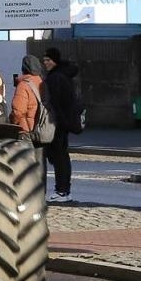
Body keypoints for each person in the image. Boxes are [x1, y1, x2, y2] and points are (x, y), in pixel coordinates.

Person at [42, 46, 80, 201]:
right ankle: (64, 190)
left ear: (55, 61)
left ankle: (62, 191)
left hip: (57, 122)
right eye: (44, 60)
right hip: (62, 122)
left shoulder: (56, 77)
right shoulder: (62, 75)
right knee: (61, 156)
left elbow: (56, 102)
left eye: (48, 60)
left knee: (59, 157)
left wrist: (55, 119)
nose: (45, 63)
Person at [10, 55, 44, 135]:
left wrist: (12, 121)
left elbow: (18, 111)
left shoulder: (23, 85)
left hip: (27, 130)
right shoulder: (42, 83)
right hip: (41, 128)